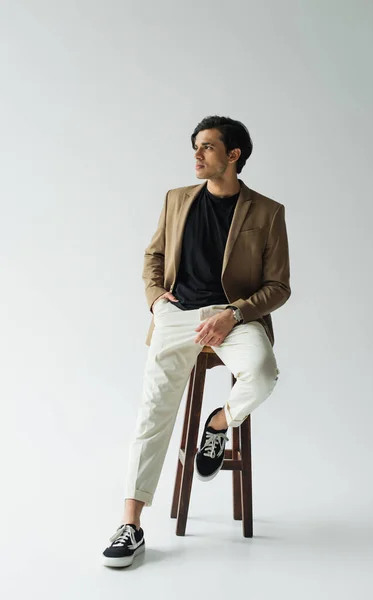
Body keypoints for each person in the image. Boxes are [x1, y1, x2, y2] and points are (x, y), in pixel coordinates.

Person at [102, 115, 291, 568]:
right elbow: (154, 256)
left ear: (233, 155)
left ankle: (219, 425)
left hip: (235, 315)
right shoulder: (177, 199)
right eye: (196, 147)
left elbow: (278, 286)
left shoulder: (267, 212)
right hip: (177, 314)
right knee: (154, 409)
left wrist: (234, 314)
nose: (197, 155)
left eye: (207, 147)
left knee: (263, 374)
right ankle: (131, 524)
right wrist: (155, 300)